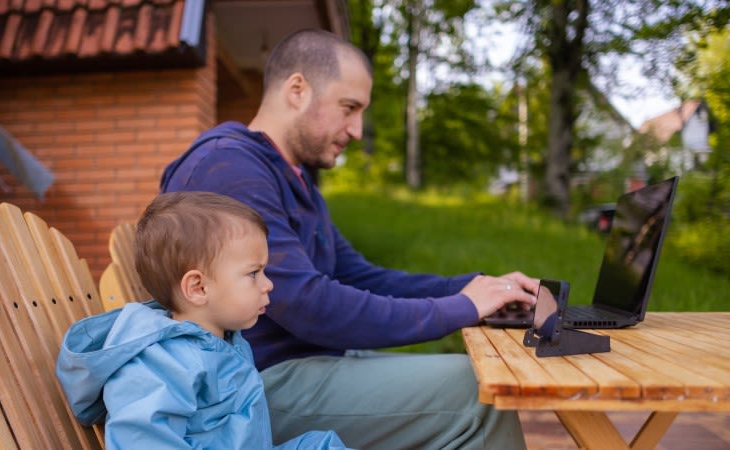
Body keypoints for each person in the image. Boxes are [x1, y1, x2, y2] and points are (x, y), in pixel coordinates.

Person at [159, 28, 538, 449]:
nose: (356, 130)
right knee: (476, 392)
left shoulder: (292, 178)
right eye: (348, 108)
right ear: (298, 89)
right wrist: (461, 309)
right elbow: (308, 305)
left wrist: (477, 290)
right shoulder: (230, 170)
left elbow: (360, 276)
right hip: (244, 391)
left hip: (303, 364)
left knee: (463, 382)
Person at [55, 191, 353, 450]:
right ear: (198, 288)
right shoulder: (162, 364)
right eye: (253, 273)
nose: (268, 284)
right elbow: (142, 440)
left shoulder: (220, 339)